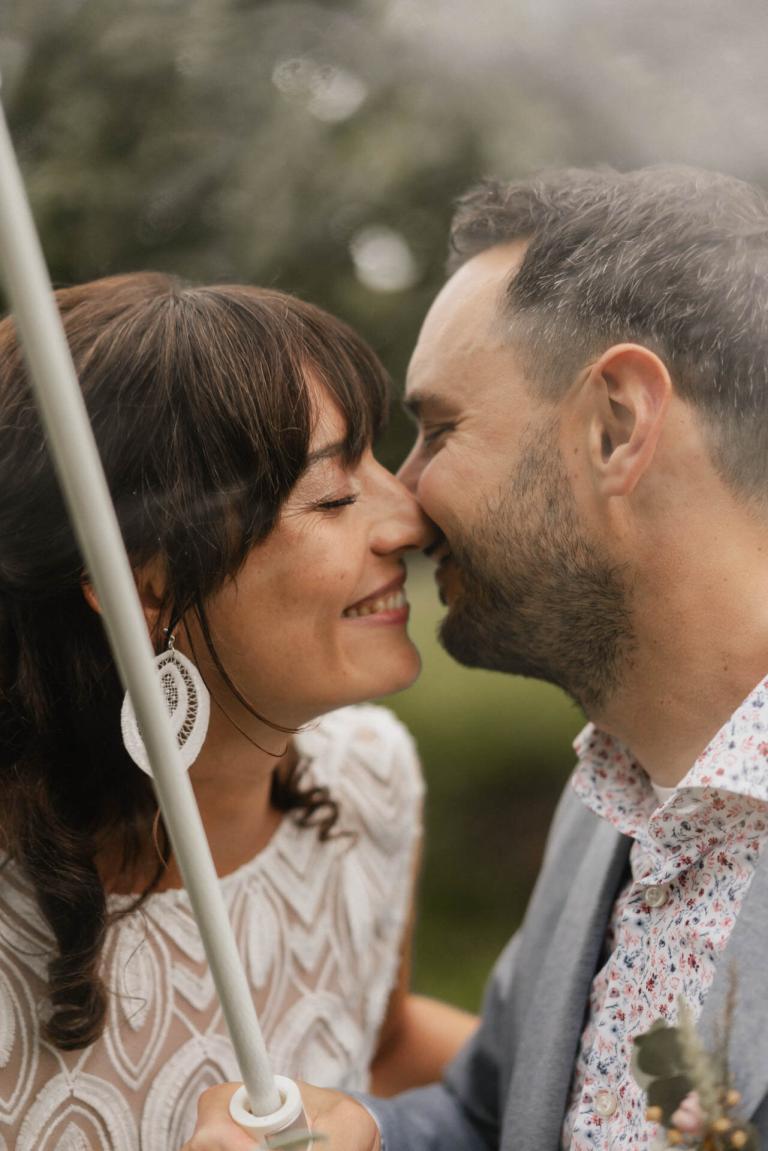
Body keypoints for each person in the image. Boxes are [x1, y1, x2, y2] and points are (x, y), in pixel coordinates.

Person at [189, 164, 768, 1150]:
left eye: (438, 428)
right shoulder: (614, 807)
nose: (405, 506)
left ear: (617, 425)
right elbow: (508, 1116)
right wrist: (367, 1137)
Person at [0, 273, 477, 1150]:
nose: (408, 517)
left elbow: (387, 1038)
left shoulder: (367, 774)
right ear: (148, 581)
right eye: (334, 495)